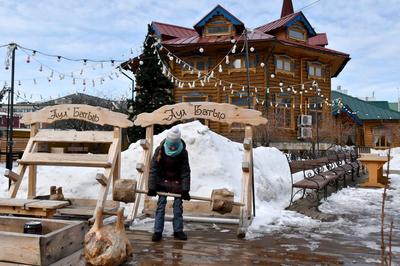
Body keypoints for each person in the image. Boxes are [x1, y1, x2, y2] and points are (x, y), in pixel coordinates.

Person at [147, 126, 191, 242]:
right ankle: (157, 231)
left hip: (177, 182)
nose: (172, 147)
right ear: (167, 141)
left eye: (174, 145)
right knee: (161, 206)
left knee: (177, 208)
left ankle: (178, 230)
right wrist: (152, 187)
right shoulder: (160, 150)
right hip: (162, 181)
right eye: (171, 144)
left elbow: (185, 171)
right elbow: (153, 169)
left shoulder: (183, 152)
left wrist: (185, 190)